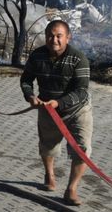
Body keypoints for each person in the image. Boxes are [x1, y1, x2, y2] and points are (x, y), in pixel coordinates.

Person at [20, 20, 92, 206]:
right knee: (47, 145)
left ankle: (71, 189)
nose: (54, 40)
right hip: (47, 109)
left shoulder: (78, 59)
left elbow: (82, 91)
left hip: (77, 110)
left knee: (81, 149)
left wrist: (59, 102)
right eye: (51, 35)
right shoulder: (37, 56)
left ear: (68, 37)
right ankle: (49, 175)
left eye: (59, 36)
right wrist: (30, 96)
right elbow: (26, 79)